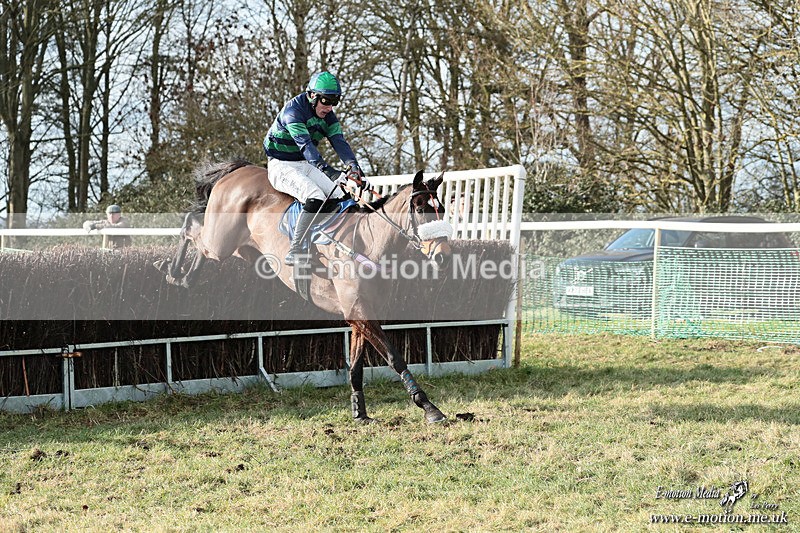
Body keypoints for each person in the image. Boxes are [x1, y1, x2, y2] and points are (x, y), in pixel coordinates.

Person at [263, 71, 368, 265]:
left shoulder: (328, 116)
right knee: (315, 196)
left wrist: (354, 167)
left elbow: (339, 141)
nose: (329, 108)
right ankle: (295, 250)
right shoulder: (293, 112)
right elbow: (306, 146)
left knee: (339, 197)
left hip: (303, 163)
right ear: (312, 96)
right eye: (326, 101)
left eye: (334, 102)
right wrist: (330, 171)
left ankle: (325, 244)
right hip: (281, 164)